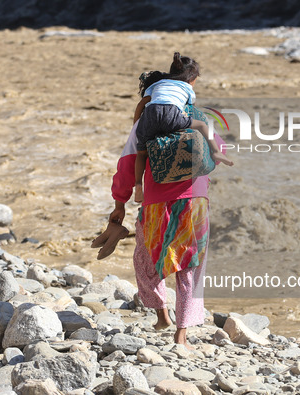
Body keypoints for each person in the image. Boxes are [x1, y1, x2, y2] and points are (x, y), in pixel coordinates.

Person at [107, 97, 226, 347]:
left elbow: (127, 166)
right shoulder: (198, 116)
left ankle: (162, 315)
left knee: (147, 257)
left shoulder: (147, 120)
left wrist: (120, 202)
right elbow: (220, 151)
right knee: (189, 266)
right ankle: (181, 334)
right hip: (194, 201)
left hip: (155, 202)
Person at [133, 52, 233, 203]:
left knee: (141, 154)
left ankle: (138, 187)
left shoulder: (157, 84)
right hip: (170, 114)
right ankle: (217, 152)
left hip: (149, 115)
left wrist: (137, 125)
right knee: (201, 125)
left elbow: (143, 103)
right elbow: (189, 108)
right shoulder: (187, 87)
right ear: (192, 79)